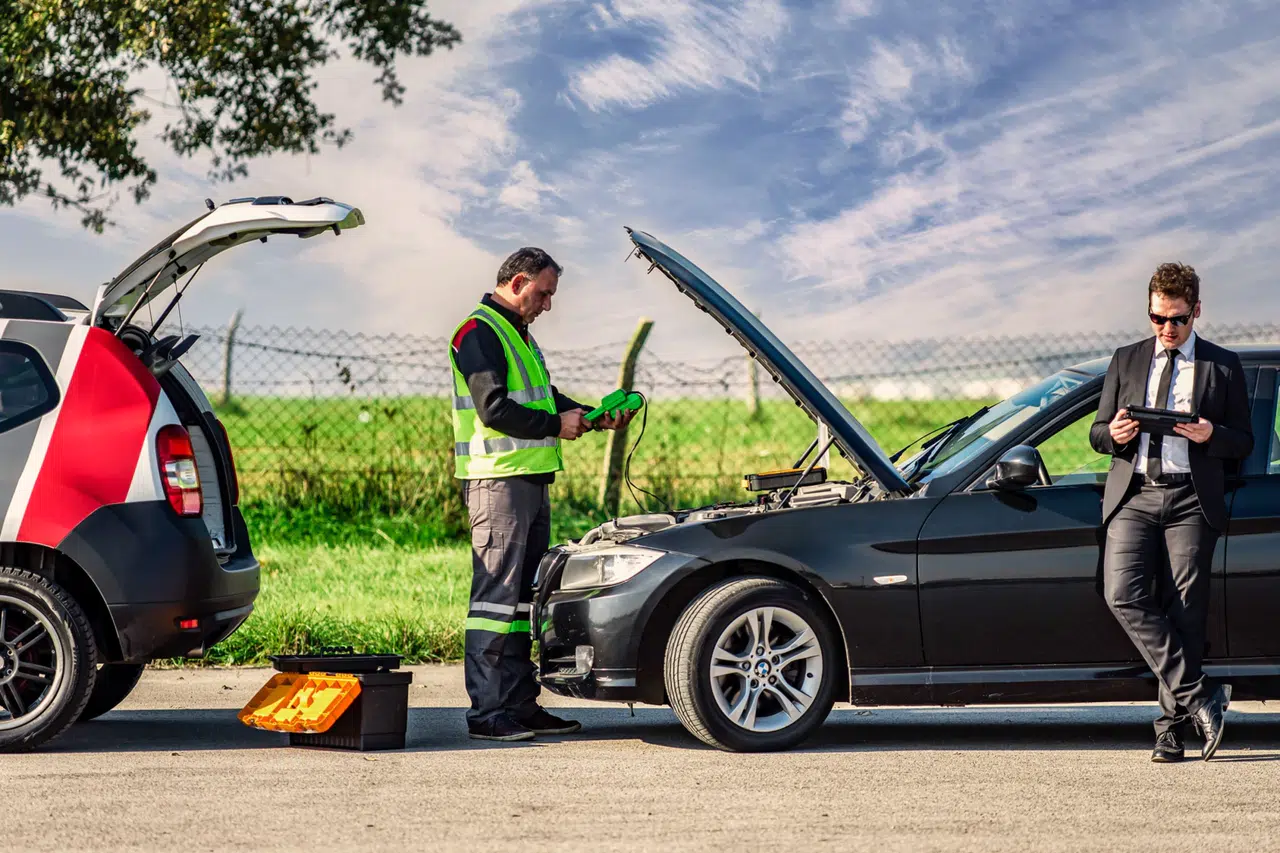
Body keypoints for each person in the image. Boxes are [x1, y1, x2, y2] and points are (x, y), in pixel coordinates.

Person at [449, 247, 637, 742]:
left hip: (528, 480)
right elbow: (493, 409)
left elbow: (545, 399)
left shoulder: (517, 335)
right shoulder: (478, 332)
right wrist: (557, 424)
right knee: (495, 602)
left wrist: (591, 416)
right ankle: (488, 714)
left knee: (519, 607)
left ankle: (519, 704)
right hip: (498, 482)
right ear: (516, 281)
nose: (548, 305)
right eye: (544, 293)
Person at [1090, 262, 1253, 763]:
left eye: (1177, 319)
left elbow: (1243, 441)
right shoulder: (1127, 359)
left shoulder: (1222, 367)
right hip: (1135, 495)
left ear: (1196, 311)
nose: (1166, 329)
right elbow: (1097, 433)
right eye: (1157, 318)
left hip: (1190, 499)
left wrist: (1211, 436)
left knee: (1186, 611)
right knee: (1122, 593)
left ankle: (1170, 729)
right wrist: (1113, 435)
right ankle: (1202, 695)